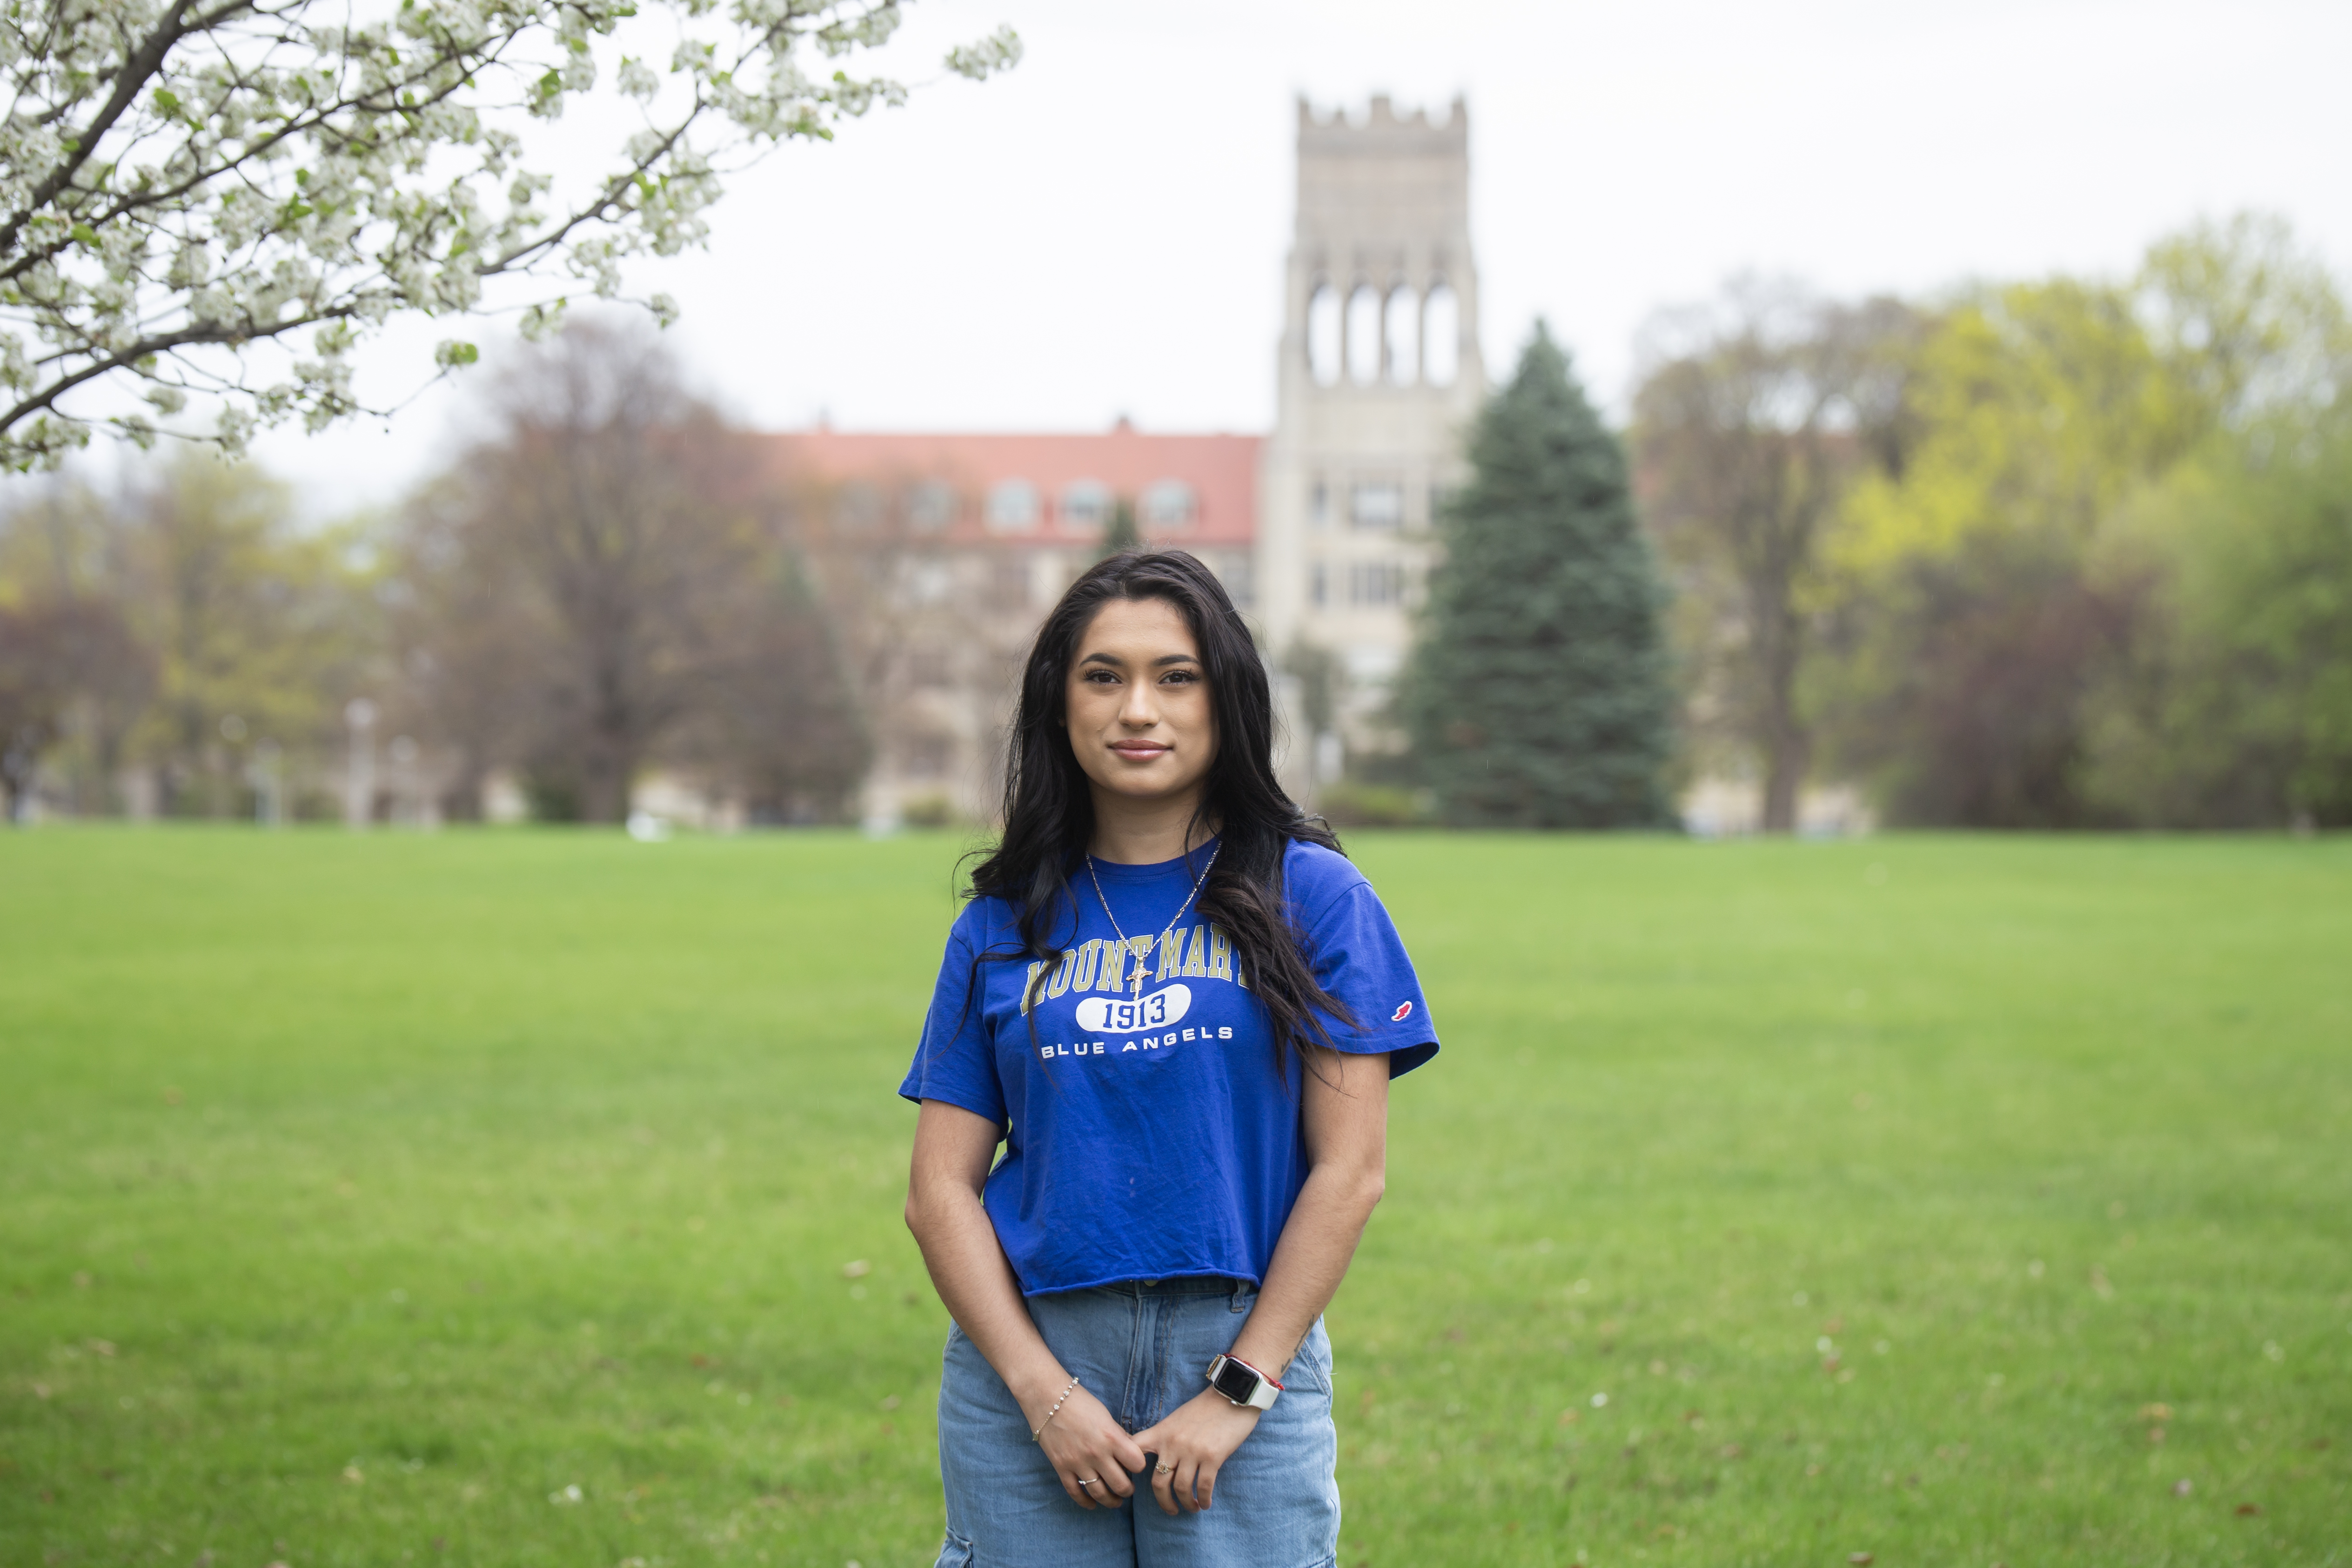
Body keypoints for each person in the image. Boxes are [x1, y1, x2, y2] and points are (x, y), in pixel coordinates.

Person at [901, 548, 1441, 1568]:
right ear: (1058, 707)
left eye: (1174, 676)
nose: (1136, 707)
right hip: (1031, 1364)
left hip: (1242, 1353)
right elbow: (939, 1190)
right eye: (1102, 676)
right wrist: (1041, 1392)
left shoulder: (1313, 896)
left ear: (1224, 698)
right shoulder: (999, 922)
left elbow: (1349, 1170)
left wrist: (1240, 1387)